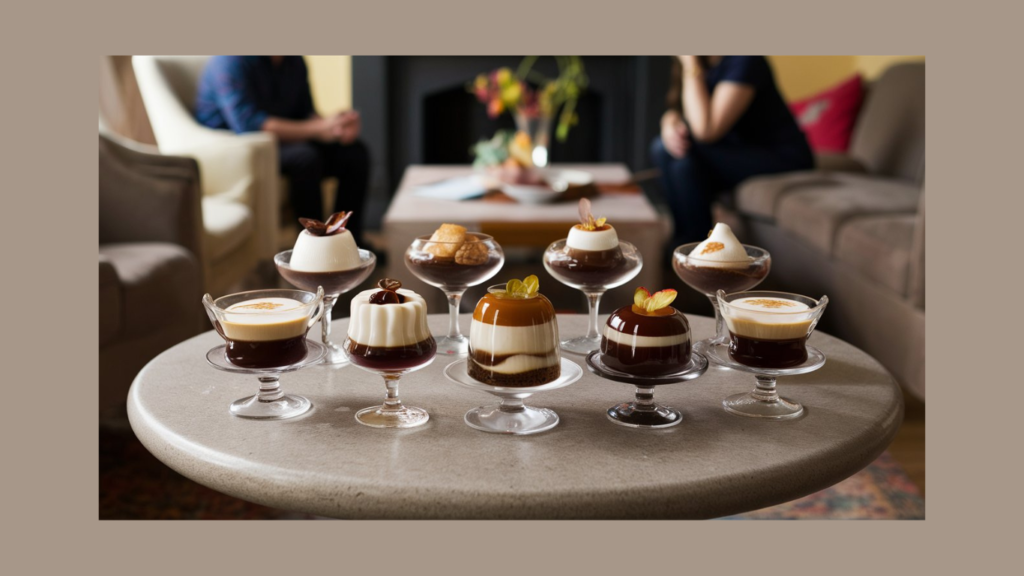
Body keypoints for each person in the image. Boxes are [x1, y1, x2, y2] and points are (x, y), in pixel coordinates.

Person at [195, 56, 370, 243]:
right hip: (238, 150)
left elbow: (305, 114)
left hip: (285, 142)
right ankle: (316, 248)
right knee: (305, 158)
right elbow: (251, 125)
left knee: (355, 153)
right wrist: (319, 129)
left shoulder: (294, 61)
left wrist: (335, 127)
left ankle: (348, 242)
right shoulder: (229, 61)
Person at [652, 56, 813, 246]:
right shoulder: (705, 62)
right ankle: (686, 242)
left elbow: (706, 131)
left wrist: (690, 63)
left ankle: (696, 245)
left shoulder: (746, 60)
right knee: (668, 152)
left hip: (782, 156)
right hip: (737, 151)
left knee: (683, 154)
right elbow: (683, 109)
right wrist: (669, 121)